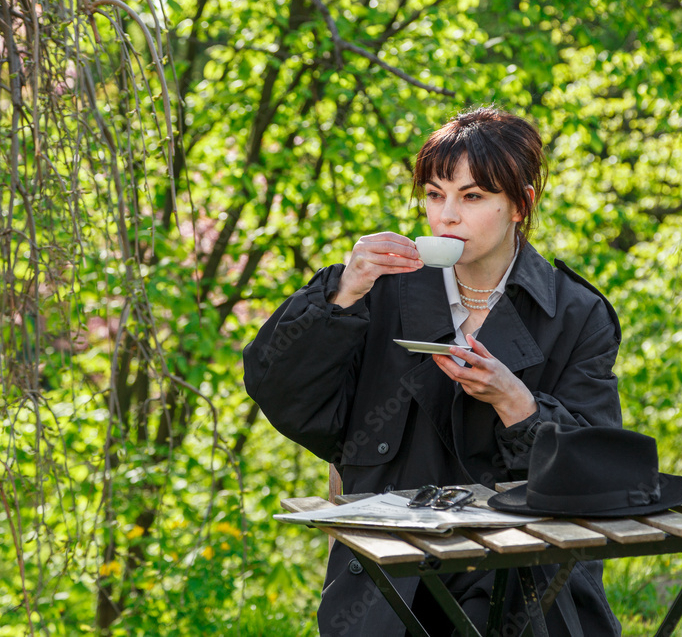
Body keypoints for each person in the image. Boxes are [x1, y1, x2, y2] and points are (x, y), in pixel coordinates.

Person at [243, 107, 623, 636]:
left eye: (472, 197)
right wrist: (342, 293)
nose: (446, 216)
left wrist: (516, 403)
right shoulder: (377, 290)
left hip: (522, 574)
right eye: (434, 194)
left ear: (521, 204)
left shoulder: (575, 313)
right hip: (392, 573)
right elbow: (281, 392)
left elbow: (598, 473)